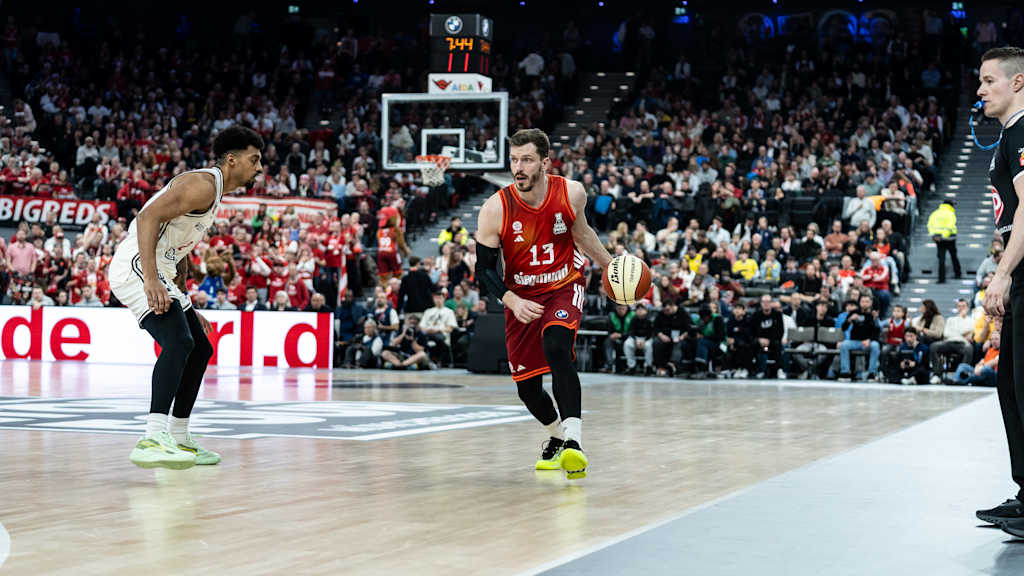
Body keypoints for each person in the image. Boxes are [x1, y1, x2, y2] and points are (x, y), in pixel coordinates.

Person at [108, 124, 263, 469]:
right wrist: (151, 279)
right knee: (178, 342)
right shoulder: (202, 184)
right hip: (137, 262)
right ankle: (151, 437)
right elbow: (147, 217)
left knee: (200, 346)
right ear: (232, 160)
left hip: (160, 265)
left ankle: (178, 436)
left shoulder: (214, 190)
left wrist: (186, 299)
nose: (259, 168)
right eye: (254, 160)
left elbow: (175, 245)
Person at [474, 128, 613, 480]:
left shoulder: (571, 193)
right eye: (514, 160)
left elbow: (581, 234)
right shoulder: (495, 209)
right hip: (521, 298)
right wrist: (511, 300)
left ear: (545, 162)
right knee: (527, 389)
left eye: (527, 160)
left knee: (556, 344)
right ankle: (555, 437)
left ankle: (574, 444)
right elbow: (484, 270)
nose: (518, 167)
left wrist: (610, 265)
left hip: (563, 285)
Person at [976, 46, 1024, 534]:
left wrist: (1003, 273)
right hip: (1020, 265)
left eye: (990, 81)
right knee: (1010, 383)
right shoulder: (1010, 136)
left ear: (1018, 83)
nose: (981, 89)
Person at [927, 200, 961, 283]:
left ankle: (941, 279)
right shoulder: (950, 213)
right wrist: (943, 236)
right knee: (954, 256)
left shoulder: (935, 213)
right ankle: (958, 274)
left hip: (938, 239)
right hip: (949, 238)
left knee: (941, 258)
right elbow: (950, 226)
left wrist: (934, 236)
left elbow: (929, 225)